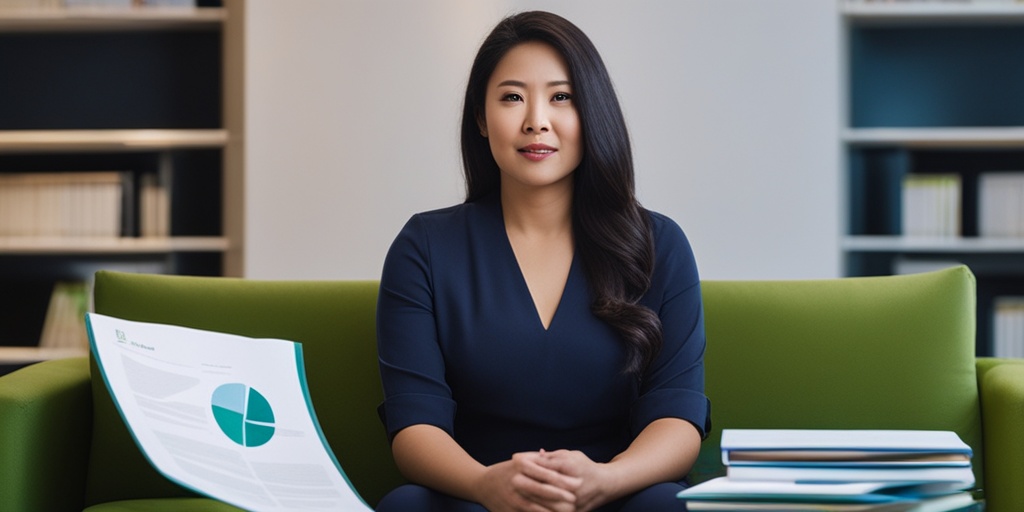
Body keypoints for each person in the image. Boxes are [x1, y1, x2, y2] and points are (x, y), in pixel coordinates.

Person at [375, 10, 710, 512]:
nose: (537, 120)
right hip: (477, 495)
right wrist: (486, 484)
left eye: (561, 97)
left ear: (592, 112)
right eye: (512, 97)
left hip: (616, 494)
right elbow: (415, 424)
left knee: (667, 505)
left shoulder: (659, 244)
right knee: (408, 505)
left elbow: (677, 417)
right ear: (481, 120)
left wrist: (607, 479)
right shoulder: (424, 245)